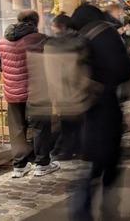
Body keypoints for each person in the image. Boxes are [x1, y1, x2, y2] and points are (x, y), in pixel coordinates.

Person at [70, 3, 130, 220]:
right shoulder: (107, 34)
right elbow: (123, 70)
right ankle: (93, 213)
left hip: (87, 107)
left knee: (94, 164)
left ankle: (88, 213)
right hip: (105, 106)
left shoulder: (82, 37)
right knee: (103, 164)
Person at [0, 11, 56, 178]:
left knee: (17, 129)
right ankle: (42, 164)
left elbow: (0, 65)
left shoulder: (2, 42)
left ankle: (19, 166)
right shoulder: (40, 39)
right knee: (41, 127)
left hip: (12, 92)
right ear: (35, 22)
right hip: (37, 91)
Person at [47, 13, 86, 161]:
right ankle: (80, 149)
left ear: (61, 27)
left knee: (68, 123)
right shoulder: (81, 40)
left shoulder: (58, 44)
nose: (51, 28)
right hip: (78, 89)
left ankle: (67, 151)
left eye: (53, 26)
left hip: (66, 88)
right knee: (78, 121)